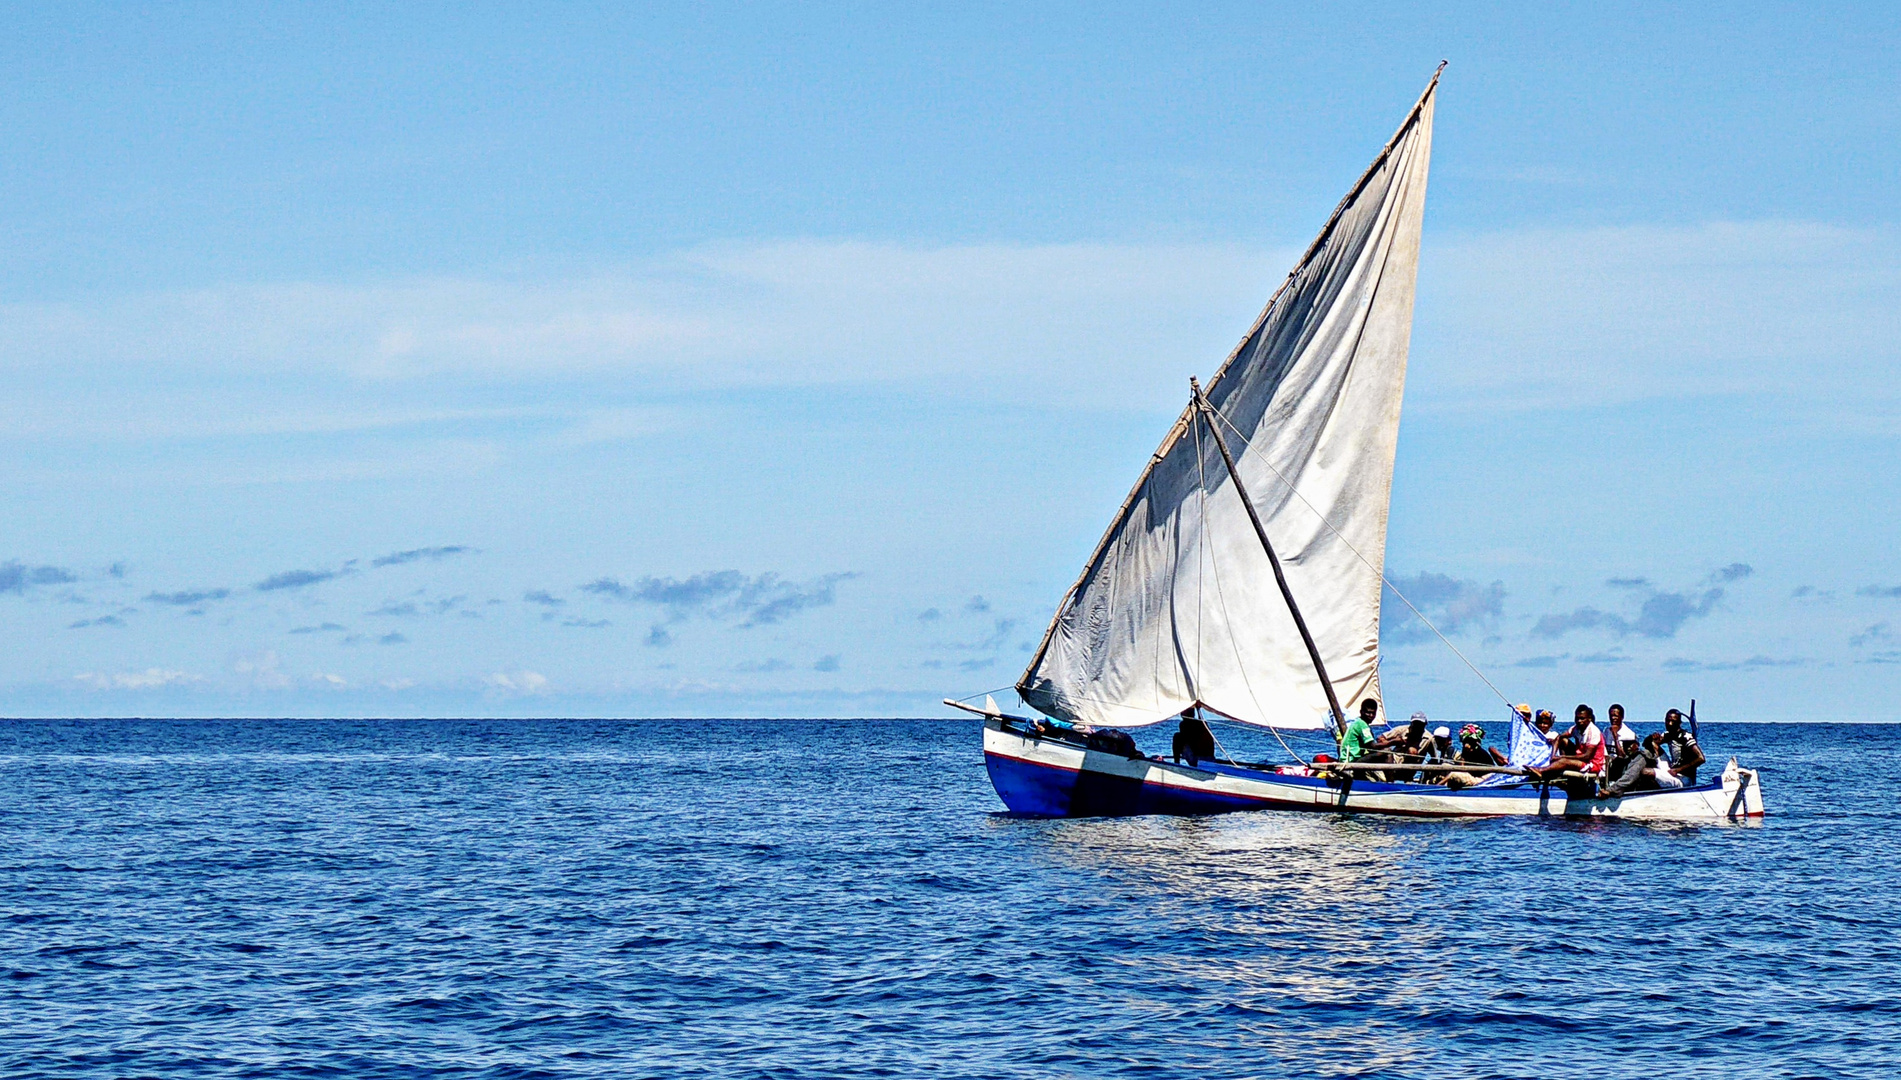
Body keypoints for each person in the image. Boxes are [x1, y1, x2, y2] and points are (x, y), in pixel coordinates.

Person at [1530, 705, 1605, 781]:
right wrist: (1553, 756)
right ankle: (1552, 765)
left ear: (1589, 719)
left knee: (1563, 761)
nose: (1579, 721)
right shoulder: (1576, 728)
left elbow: (1587, 757)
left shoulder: (1594, 732)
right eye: (1577, 718)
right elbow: (1559, 737)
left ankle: (1542, 770)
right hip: (1580, 758)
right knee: (1563, 740)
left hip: (1591, 765)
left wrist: (1562, 758)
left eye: (1582, 718)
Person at [1443, 724, 1510, 790]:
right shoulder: (1466, 753)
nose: (1466, 745)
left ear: (1475, 743)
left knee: (1453, 774)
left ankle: (1436, 788)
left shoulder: (1479, 752)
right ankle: (1441, 787)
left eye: (1469, 742)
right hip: (1474, 777)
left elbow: (1462, 770)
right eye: (1465, 742)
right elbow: (1462, 768)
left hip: (1483, 779)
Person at [1658, 708, 1705, 784]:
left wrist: (1678, 770)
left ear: (1679, 723)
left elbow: (1701, 758)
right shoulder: (1667, 734)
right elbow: (1652, 744)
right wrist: (1653, 739)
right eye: (1668, 721)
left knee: (1647, 773)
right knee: (1653, 746)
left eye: (1673, 721)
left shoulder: (1685, 737)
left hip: (1684, 778)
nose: (1670, 724)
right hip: (1673, 771)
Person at [1340, 698, 1382, 763]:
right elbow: (1372, 746)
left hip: (1354, 758)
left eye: (1373, 713)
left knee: (1382, 752)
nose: (1371, 716)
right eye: (1368, 713)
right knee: (1386, 751)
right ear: (1361, 712)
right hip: (1351, 761)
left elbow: (1370, 749)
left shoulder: (1359, 722)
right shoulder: (1361, 724)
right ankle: (1390, 773)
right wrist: (1393, 742)